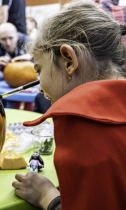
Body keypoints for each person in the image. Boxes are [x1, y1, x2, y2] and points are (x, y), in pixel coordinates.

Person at [12, 1, 126, 210]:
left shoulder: (82, 124)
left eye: (39, 71)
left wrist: (48, 197)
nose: (40, 87)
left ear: (68, 61)